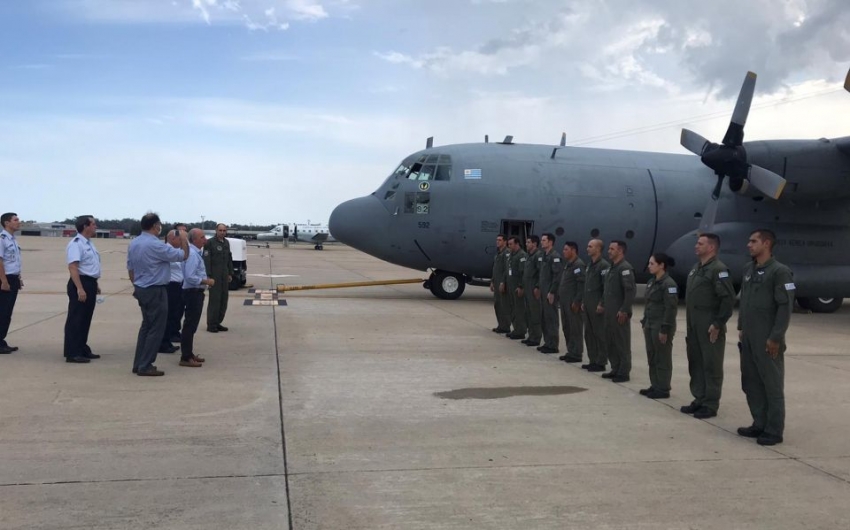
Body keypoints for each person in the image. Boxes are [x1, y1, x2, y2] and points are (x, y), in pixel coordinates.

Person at [737, 229, 794, 446]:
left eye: (753, 241)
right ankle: (759, 422)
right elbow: (745, 301)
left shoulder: (780, 272)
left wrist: (776, 337)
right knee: (750, 382)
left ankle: (774, 429)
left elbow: (784, 307)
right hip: (749, 338)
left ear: (767, 243)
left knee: (772, 384)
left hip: (768, 338)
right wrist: (742, 326)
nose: (748, 245)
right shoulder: (748, 269)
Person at [681, 233, 735, 419]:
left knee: (711, 364)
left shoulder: (718, 269)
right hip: (694, 324)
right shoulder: (696, 269)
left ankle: (711, 403)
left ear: (711, 247)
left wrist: (718, 323)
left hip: (709, 325)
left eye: (700, 243)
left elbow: (727, 299)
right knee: (696, 362)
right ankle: (699, 398)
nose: (696, 246)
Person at [128, 213, 189, 376]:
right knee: (156, 328)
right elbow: (183, 255)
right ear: (155, 226)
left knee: (146, 326)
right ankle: (145, 365)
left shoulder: (134, 243)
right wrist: (184, 238)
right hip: (155, 289)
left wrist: (136, 286)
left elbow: (130, 268)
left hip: (141, 287)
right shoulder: (156, 245)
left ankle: (139, 362)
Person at [63, 215, 102, 364]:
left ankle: (82, 347)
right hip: (80, 282)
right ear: (85, 226)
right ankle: (72, 352)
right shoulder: (76, 243)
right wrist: (80, 288)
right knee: (76, 318)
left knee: (85, 318)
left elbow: (90, 266)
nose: (95, 226)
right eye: (93, 224)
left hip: (89, 282)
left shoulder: (89, 243)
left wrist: (95, 284)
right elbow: (73, 267)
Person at [640, 253, 679, 399]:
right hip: (650, 323)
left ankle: (663, 388)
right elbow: (649, 303)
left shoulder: (668, 284)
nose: (649, 266)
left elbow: (671, 308)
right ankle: (655, 384)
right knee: (652, 355)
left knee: (662, 357)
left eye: (652, 263)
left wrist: (665, 328)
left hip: (661, 325)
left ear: (661, 265)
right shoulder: (652, 282)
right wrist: (645, 321)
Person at [600, 240, 635, 383]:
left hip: (619, 312)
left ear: (620, 251)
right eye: (609, 248)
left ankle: (624, 371)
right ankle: (615, 368)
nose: (609, 251)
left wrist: (625, 310)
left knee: (622, 342)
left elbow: (630, 291)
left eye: (612, 249)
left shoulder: (625, 268)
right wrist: (602, 303)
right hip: (609, 312)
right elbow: (607, 289)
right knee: (610, 341)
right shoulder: (611, 268)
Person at [180, 228, 216, 368]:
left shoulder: (195, 253)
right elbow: (189, 276)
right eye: (202, 237)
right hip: (192, 292)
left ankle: (189, 353)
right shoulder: (193, 255)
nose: (205, 240)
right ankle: (185, 357)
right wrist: (206, 281)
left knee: (192, 325)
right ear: (194, 240)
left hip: (195, 292)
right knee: (189, 326)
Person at [582, 239, 609, 372]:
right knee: (589, 333)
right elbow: (586, 285)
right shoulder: (590, 265)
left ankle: (601, 361)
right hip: (588, 304)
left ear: (598, 249)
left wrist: (602, 303)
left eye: (590, 246)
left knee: (599, 333)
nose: (587, 248)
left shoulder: (603, 266)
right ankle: (593, 359)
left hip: (597, 304)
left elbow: (606, 287)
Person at [558, 241, 585, 363]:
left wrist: (577, 301)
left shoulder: (578, 265)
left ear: (573, 250)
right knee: (567, 327)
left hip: (572, 302)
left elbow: (581, 284)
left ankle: (577, 353)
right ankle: (570, 351)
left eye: (566, 249)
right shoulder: (568, 264)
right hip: (564, 302)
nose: (564, 252)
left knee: (575, 328)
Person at [0, 212, 22, 354]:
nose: (18, 222)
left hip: (12, 278)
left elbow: (13, 261)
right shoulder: (2, 239)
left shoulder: (12, 239)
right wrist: (4, 281)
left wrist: (18, 278)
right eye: (15, 220)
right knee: (2, 311)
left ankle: (1, 340)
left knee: (7, 312)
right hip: (4, 279)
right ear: (7, 223)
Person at [537, 233, 563, 354]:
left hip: (550, 292)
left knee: (551, 318)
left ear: (550, 242)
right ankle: (547, 342)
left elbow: (557, 276)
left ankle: (553, 345)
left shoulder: (555, 256)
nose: (542, 242)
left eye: (544, 240)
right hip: (543, 291)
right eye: (541, 240)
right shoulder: (543, 255)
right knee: (544, 318)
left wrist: (552, 291)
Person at [205, 223, 233, 333]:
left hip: (224, 275)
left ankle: (218, 322)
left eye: (224, 230)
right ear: (216, 231)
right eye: (220, 230)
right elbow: (207, 260)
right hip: (215, 276)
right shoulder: (210, 243)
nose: (222, 232)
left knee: (223, 299)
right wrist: (208, 275)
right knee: (214, 301)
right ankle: (211, 324)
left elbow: (229, 259)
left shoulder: (226, 243)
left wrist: (230, 273)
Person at [164, 223, 188, 344]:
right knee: (171, 312)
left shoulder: (179, 248)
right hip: (171, 284)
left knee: (178, 311)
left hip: (180, 283)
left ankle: (174, 332)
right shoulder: (168, 249)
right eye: (181, 233)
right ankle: (169, 335)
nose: (183, 236)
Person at [520, 235, 543, 347]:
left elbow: (540, 273)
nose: (526, 244)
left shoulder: (538, 256)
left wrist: (538, 287)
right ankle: (531, 336)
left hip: (533, 289)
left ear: (534, 244)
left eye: (529, 242)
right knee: (528, 313)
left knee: (535, 314)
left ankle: (536, 337)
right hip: (527, 288)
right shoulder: (529, 256)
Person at [506, 236, 528, 340]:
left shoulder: (522, 255)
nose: (509, 246)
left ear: (517, 244)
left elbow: (523, 273)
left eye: (511, 244)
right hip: (511, 285)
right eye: (508, 244)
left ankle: (521, 331)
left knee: (519, 309)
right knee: (513, 308)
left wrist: (521, 286)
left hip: (517, 286)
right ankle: (516, 329)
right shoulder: (511, 255)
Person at [489, 234, 511, 334]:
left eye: (500, 240)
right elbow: (495, 269)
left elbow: (506, 269)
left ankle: (505, 326)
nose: (497, 242)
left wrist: (503, 282)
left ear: (505, 242)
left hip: (502, 282)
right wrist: (492, 281)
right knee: (497, 304)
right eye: (497, 240)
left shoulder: (507, 253)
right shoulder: (498, 253)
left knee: (504, 305)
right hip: (496, 281)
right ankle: (501, 325)